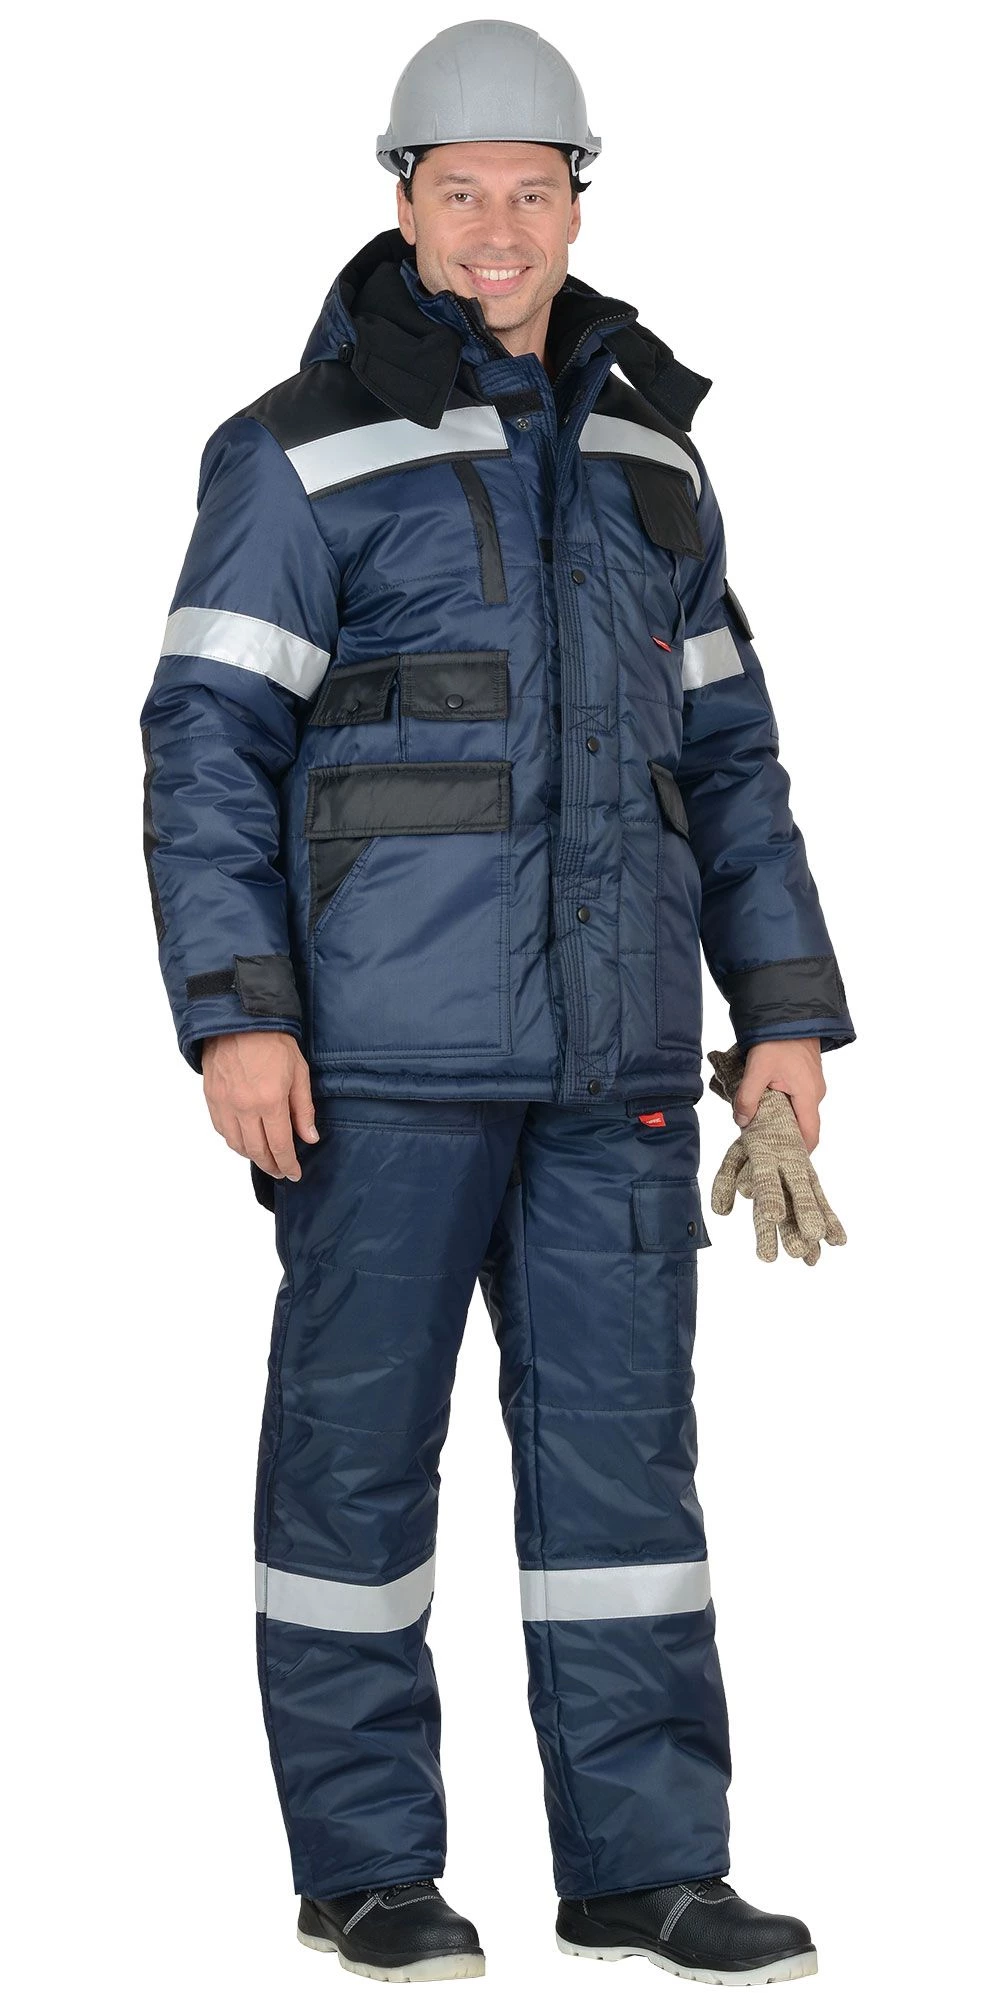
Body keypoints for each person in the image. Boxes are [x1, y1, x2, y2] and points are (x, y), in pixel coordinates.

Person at [138, 18, 853, 1986]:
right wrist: (235, 1010)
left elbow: (729, 766)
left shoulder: (650, 455)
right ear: (403, 203)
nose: (496, 227)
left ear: (576, 205)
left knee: (627, 1472)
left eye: (532, 190)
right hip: (374, 1063)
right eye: (459, 190)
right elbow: (205, 748)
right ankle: (366, 1866)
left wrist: (781, 1018)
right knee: (354, 1463)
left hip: (617, 1065)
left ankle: (648, 1864)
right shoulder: (294, 447)